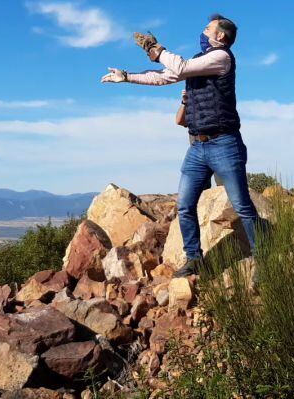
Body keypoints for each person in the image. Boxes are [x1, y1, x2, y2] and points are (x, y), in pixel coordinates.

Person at [101, 14, 261, 277]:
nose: (203, 31)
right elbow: (164, 77)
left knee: (242, 205)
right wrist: (127, 76)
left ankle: (264, 256)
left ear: (220, 35)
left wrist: (157, 49)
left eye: (207, 28)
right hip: (197, 147)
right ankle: (194, 259)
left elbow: (181, 67)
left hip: (224, 143)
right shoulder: (198, 61)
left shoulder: (221, 58)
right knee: (185, 205)